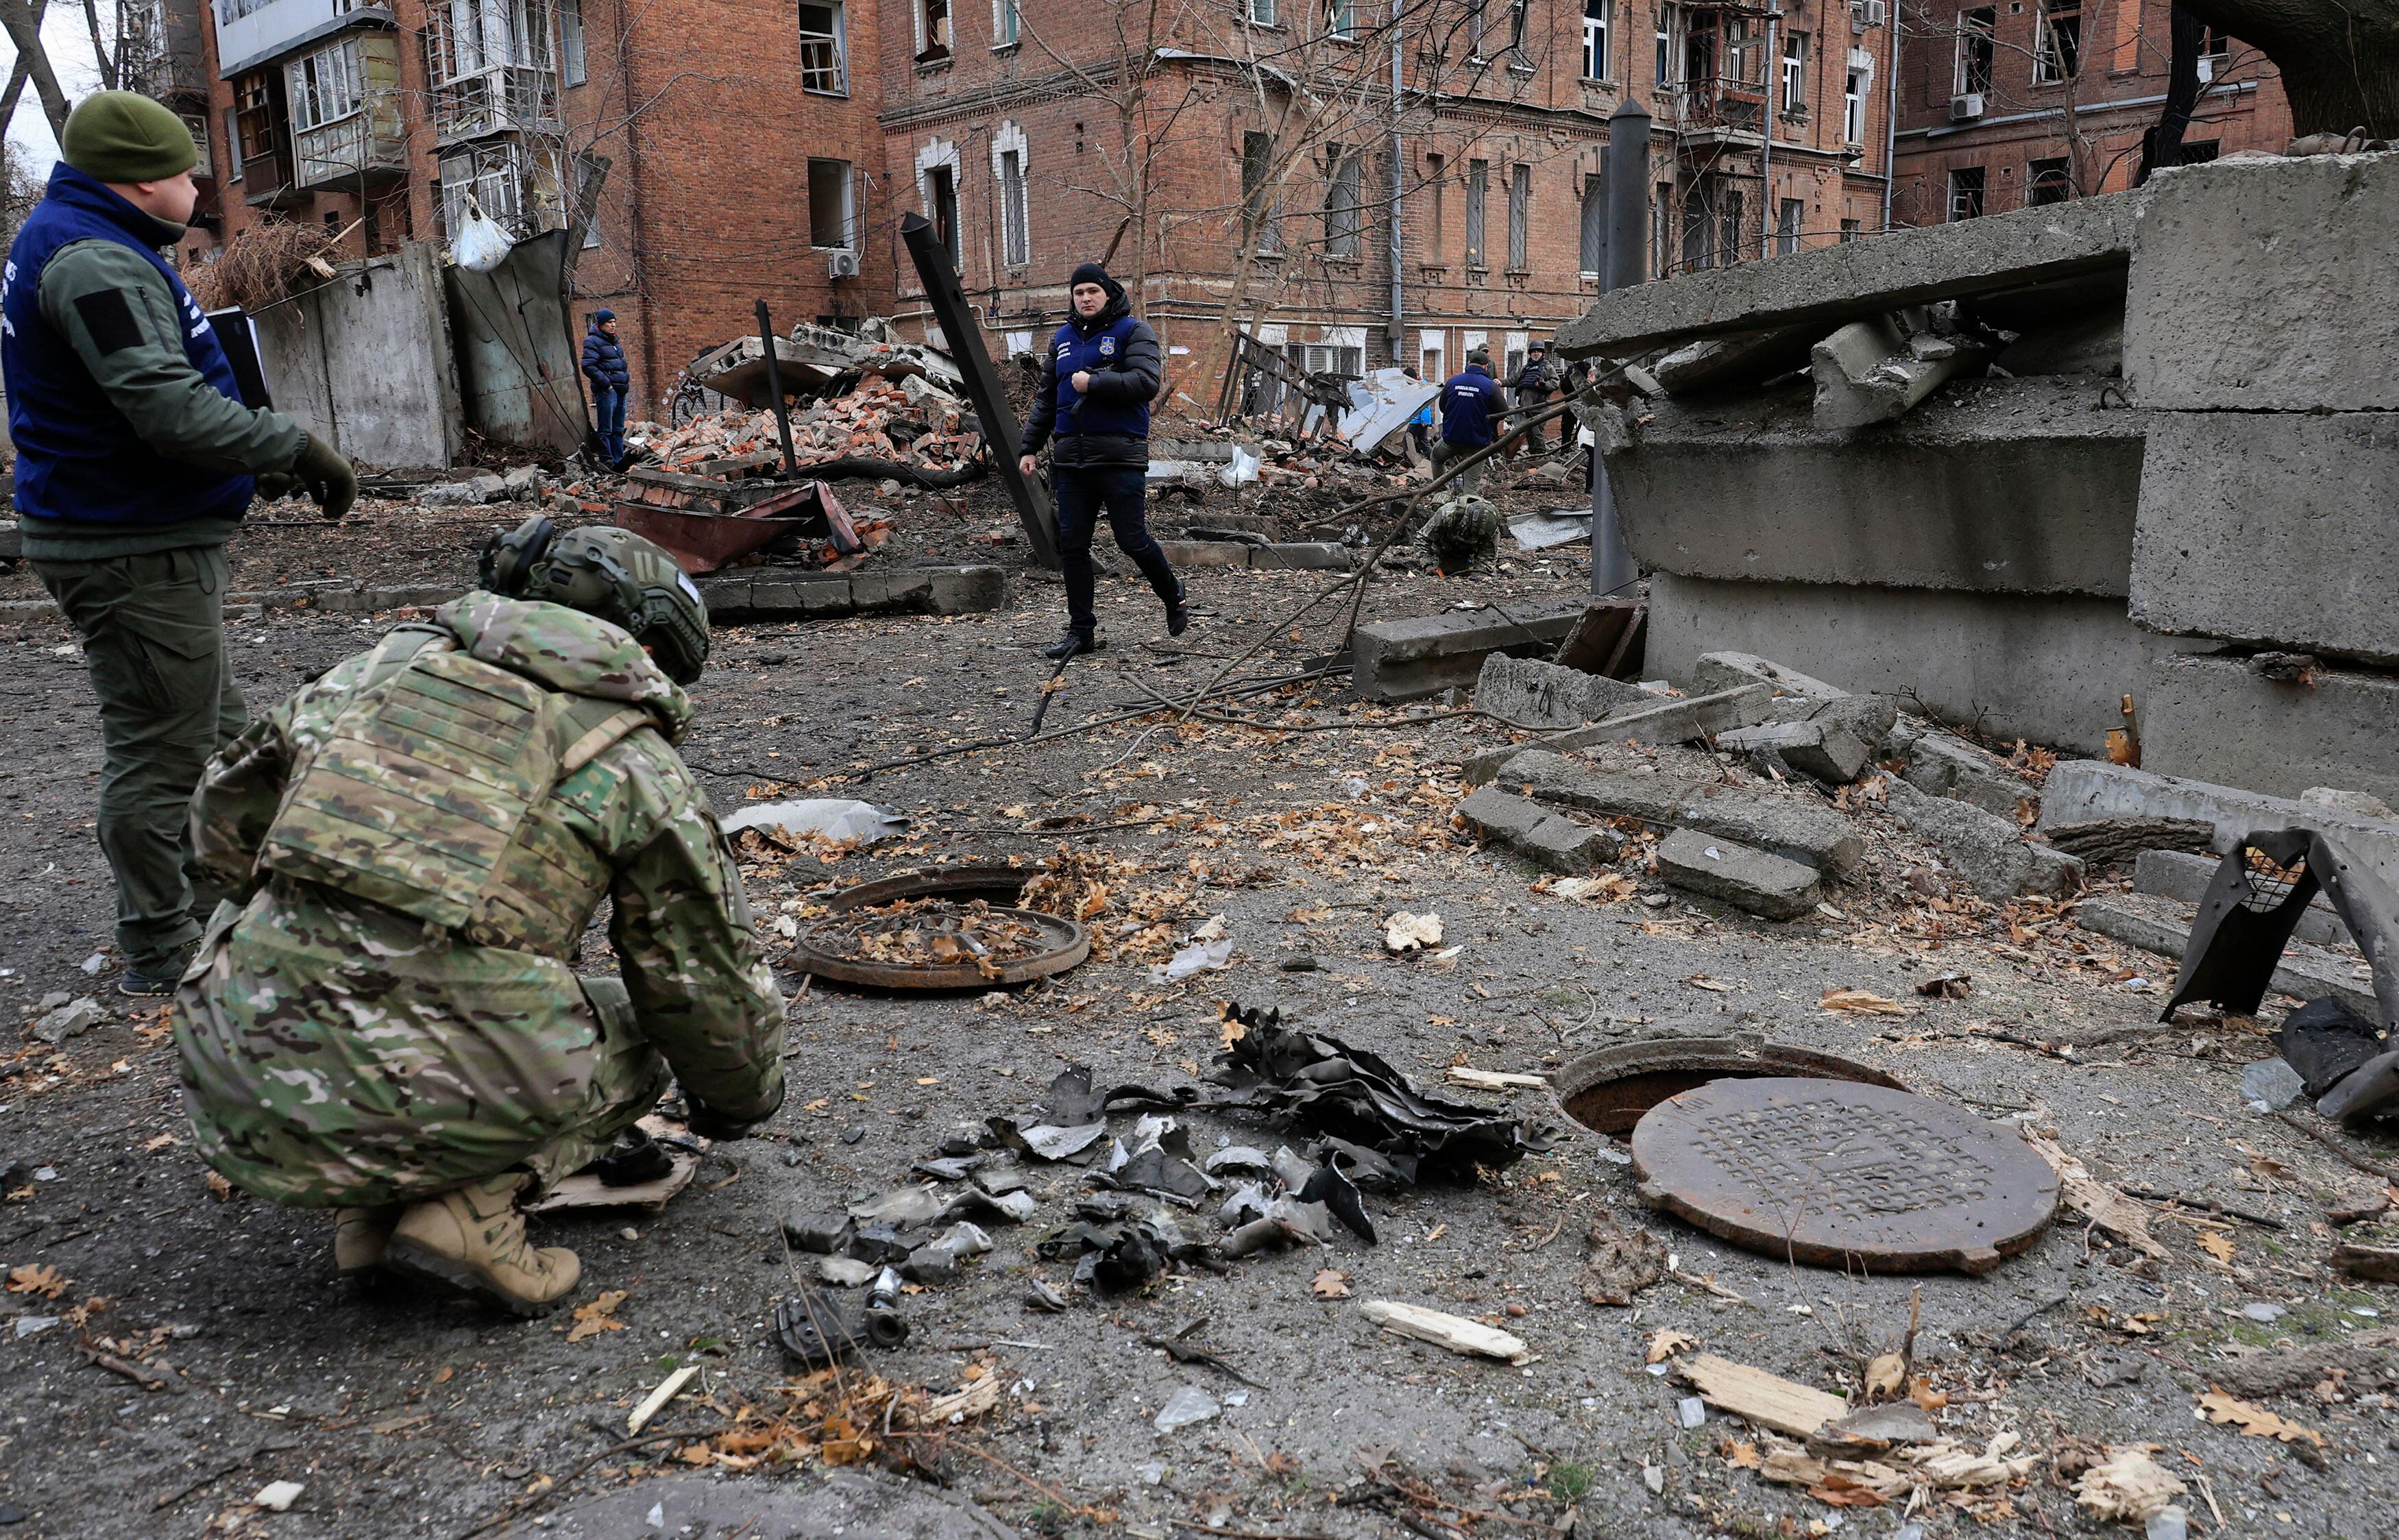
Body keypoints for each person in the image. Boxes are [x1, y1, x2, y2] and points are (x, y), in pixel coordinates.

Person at [171, 520, 786, 1315]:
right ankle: (472, 1213)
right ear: (648, 646)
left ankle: (369, 1216)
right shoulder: (634, 762)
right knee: (638, 1029)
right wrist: (739, 1103)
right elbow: (705, 986)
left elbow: (218, 832)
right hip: (437, 1069)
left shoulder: (369, 676)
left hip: (235, 1076)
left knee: (334, 952)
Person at [3, 91, 356, 999]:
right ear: (135, 178)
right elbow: (164, 408)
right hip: (128, 542)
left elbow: (159, 396)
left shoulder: (94, 245)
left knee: (225, 738)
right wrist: (288, 446)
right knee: (162, 751)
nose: (200, 185)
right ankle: (162, 946)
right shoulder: (94, 265)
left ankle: (232, 901)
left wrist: (241, 457)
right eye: (185, 170)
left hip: (135, 528)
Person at [1016, 260, 1186, 660]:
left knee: (1131, 539)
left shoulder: (1134, 331)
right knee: (1072, 545)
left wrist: (1094, 382)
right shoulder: (1062, 338)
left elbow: (1146, 384)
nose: (1086, 298)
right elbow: (1046, 398)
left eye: (1093, 291)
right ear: (1072, 299)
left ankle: (1172, 593)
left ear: (1108, 293)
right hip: (1071, 459)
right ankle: (1081, 633)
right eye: (1079, 293)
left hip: (1119, 456)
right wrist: (1029, 447)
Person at [1433, 347, 1505, 496]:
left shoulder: (1453, 382)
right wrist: (1488, 423)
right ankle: (1467, 511)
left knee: (1436, 457)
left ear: (1469, 363)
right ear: (1486, 366)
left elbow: (1442, 407)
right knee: (1470, 488)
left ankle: (1441, 493)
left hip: (1451, 439)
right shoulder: (1490, 385)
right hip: (1477, 443)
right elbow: (1503, 412)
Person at [581, 308, 629, 466]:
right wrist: (607, 384)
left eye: (614, 322)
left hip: (621, 391)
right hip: (608, 392)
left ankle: (619, 461)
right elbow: (588, 365)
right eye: (609, 322)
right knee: (606, 429)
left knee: (618, 429)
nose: (613, 325)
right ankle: (607, 462)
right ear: (600, 324)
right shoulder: (592, 341)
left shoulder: (614, 341)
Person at [1509, 342, 1555, 455]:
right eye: (1534, 352)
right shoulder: (1526, 368)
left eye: (1538, 352)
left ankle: (1541, 455)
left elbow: (1555, 382)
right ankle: (1533, 455)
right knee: (1530, 434)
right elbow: (1513, 380)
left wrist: (1544, 385)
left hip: (1540, 407)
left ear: (1542, 354)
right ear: (1530, 354)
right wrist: (1500, 382)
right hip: (1527, 408)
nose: (1536, 354)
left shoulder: (1547, 367)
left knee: (1537, 433)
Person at [1403, 364, 1434, 460]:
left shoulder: (1420, 388)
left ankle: (1408, 460)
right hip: (1421, 420)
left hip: (1418, 421)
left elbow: (1425, 406)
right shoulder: (1420, 386)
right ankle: (1435, 459)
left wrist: (1424, 420)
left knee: (1407, 440)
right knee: (1423, 442)